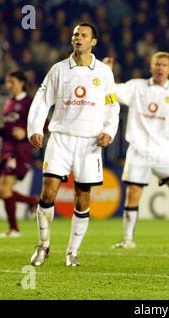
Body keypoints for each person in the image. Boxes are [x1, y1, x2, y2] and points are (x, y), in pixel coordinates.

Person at [27, 23, 120, 267]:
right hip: (61, 138)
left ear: (94, 42)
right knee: (48, 192)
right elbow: (41, 100)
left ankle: (72, 252)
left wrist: (109, 131)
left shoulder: (103, 72)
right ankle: (43, 244)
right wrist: (35, 129)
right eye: (75, 34)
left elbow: (112, 105)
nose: (78, 38)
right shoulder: (59, 69)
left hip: (89, 141)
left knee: (82, 198)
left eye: (84, 35)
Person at [103, 52, 169, 249]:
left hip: (164, 150)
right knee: (133, 193)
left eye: (164, 65)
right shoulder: (136, 87)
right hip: (139, 149)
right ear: (151, 66)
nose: (160, 68)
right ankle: (127, 239)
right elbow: (110, 91)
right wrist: (107, 72)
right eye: (157, 64)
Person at [0, 70, 39, 238]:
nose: (8, 85)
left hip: (20, 152)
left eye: (12, 82)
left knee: (4, 188)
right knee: (0, 191)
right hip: (6, 151)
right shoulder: (8, 103)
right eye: (7, 82)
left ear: (21, 83)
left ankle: (14, 229)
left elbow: (43, 124)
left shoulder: (29, 103)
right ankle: (33, 202)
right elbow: (10, 130)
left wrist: (26, 133)